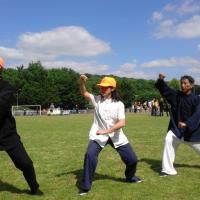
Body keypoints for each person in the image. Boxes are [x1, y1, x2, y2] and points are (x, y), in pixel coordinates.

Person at [79, 75, 142, 195]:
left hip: (116, 136)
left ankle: (130, 177)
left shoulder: (119, 104)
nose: (102, 89)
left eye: (105, 87)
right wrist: (81, 82)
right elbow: (84, 93)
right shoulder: (97, 99)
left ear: (112, 89)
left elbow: (122, 123)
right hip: (98, 135)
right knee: (90, 155)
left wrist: (107, 131)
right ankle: (85, 187)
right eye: (101, 87)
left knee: (132, 160)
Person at [0, 57, 43, 195]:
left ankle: (34, 188)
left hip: (7, 133)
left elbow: (1, 107)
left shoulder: (6, 88)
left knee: (25, 164)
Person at [155, 73, 200, 176]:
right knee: (168, 139)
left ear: (192, 85)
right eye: (181, 83)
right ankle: (167, 170)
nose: (183, 85)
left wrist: (187, 124)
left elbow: (198, 113)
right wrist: (161, 80)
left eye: (185, 83)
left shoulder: (197, 99)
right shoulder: (177, 95)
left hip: (193, 132)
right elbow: (165, 90)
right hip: (176, 130)